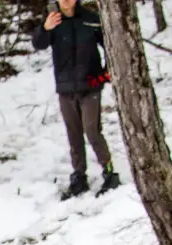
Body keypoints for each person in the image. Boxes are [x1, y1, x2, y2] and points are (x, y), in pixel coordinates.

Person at [32, 0, 120, 199]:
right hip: (65, 88)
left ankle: (109, 172)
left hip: (90, 85)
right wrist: (45, 28)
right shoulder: (52, 20)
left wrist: (105, 74)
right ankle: (79, 175)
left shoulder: (90, 19)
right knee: (74, 133)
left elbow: (110, 44)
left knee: (92, 130)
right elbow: (38, 44)